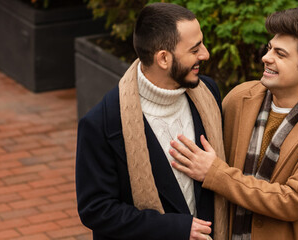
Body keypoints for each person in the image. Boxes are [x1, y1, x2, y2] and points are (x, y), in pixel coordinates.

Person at [169, 8, 298, 239]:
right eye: (269, 48)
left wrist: (215, 174)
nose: (266, 57)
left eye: (280, 54)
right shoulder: (240, 98)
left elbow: (291, 202)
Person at [75, 3, 227, 240]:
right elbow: (96, 209)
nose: (205, 54)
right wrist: (174, 229)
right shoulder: (101, 123)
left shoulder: (209, 92)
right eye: (195, 49)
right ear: (163, 58)